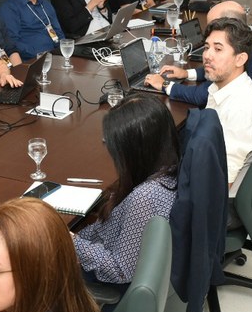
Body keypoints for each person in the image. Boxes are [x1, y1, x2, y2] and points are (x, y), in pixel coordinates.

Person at [74, 94, 179, 288]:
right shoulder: (168, 169)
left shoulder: (145, 197)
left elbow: (121, 270)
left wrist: (72, 243)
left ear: (136, 149)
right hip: (101, 246)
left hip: (105, 283)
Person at [145, 1, 252, 106]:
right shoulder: (248, 41)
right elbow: (218, 66)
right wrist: (187, 73)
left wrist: (164, 85)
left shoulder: (244, 55)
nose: (209, 32)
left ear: (229, 25)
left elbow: (202, 95)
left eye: (213, 26)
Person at [200, 18, 252, 186]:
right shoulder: (222, 86)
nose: (207, 55)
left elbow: (222, 181)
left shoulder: (241, 109)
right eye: (207, 47)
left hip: (217, 193)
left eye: (218, 49)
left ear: (240, 59)